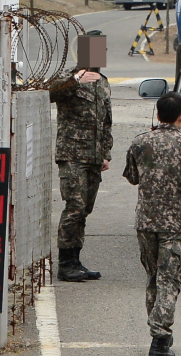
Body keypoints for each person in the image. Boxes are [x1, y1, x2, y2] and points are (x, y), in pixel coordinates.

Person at [124, 92, 181, 356]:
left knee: (154, 278)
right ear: (180, 117)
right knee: (169, 281)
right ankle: (160, 341)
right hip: (173, 223)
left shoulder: (140, 142)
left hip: (145, 222)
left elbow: (132, 177)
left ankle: (157, 333)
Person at [49, 57, 112, 282]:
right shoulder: (69, 78)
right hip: (72, 154)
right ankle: (65, 264)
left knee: (84, 209)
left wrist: (106, 153)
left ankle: (75, 260)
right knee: (74, 206)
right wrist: (76, 79)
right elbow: (50, 94)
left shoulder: (103, 83)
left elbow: (106, 122)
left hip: (93, 157)